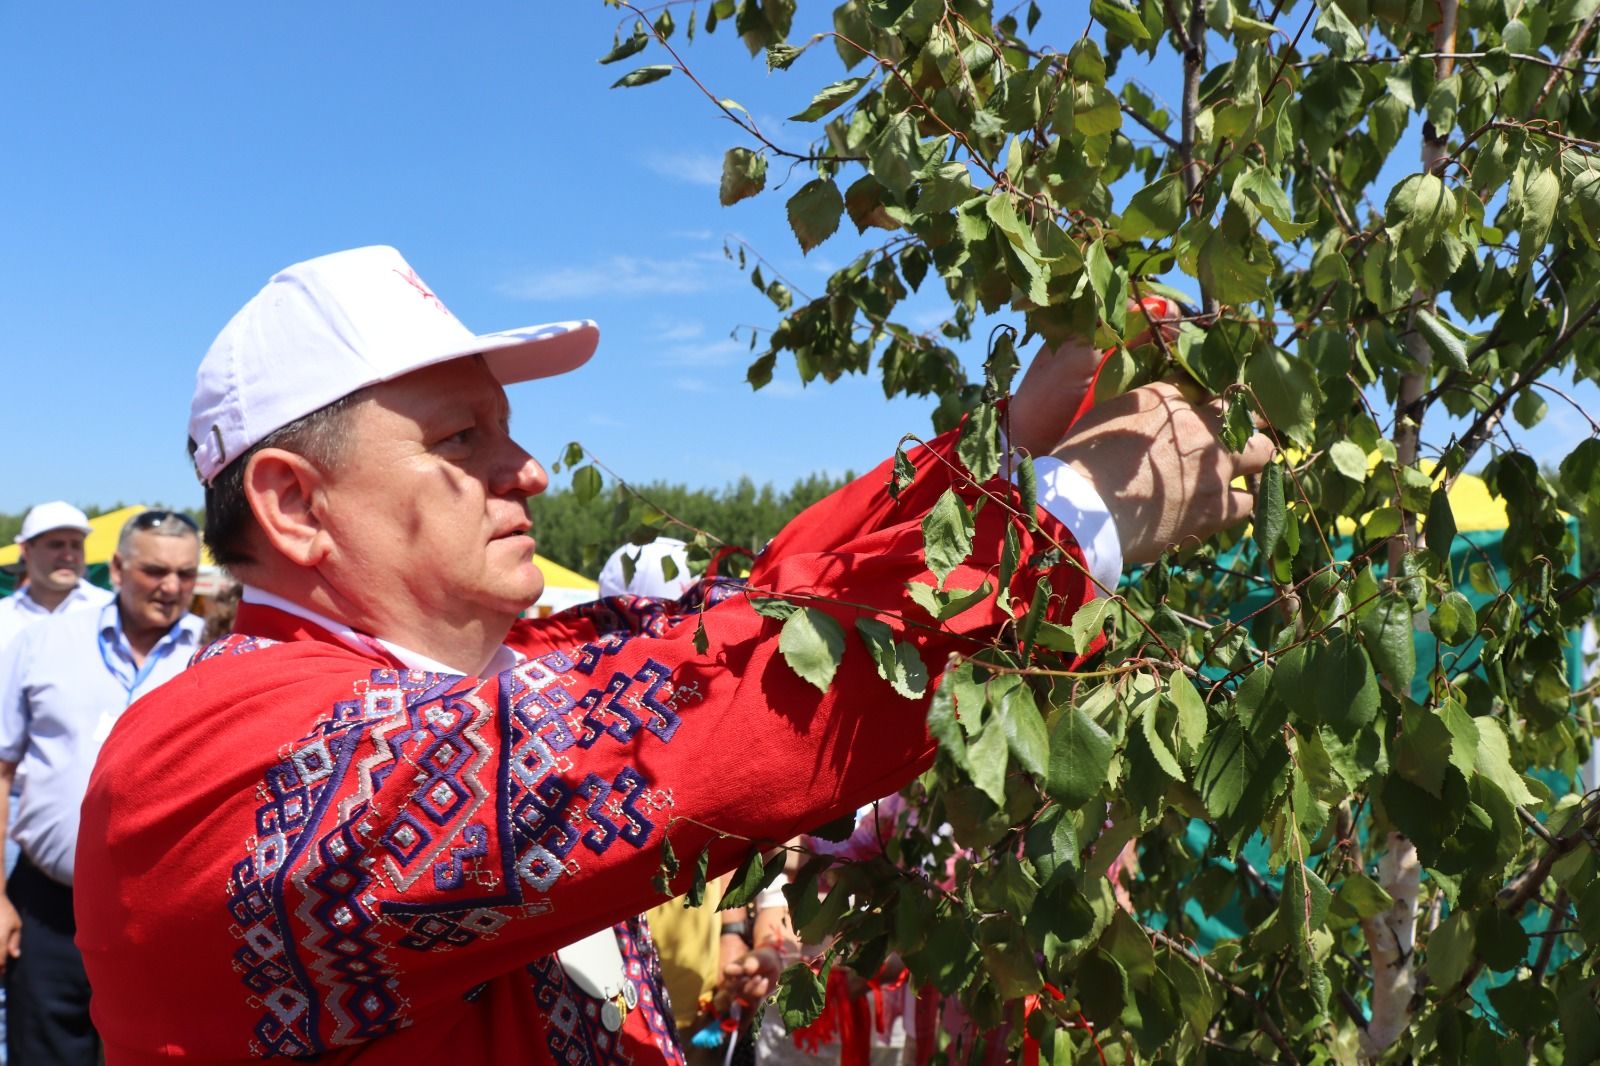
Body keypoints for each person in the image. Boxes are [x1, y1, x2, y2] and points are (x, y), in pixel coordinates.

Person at [75, 246, 1271, 1065]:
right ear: (294, 506)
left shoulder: (492, 673)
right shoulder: (212, 760)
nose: (528, 468)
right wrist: (1076, 517)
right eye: (461, 436)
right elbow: (666, 737)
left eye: (509, 428)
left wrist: (1013, 448)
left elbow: (759, 613)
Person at [0, 511, 202, 1064]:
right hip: (47, 913)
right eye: (155, 570)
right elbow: (1, 771)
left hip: (160, 928)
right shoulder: (44, 643)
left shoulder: (212, 656)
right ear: (116, 568)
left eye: (185, 574)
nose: (171, 588)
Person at [0, 503, 114, 658]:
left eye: (76, 545)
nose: (68, 555)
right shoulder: (5, 616)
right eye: (56, 545)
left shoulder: (111, 610)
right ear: (26, 550)